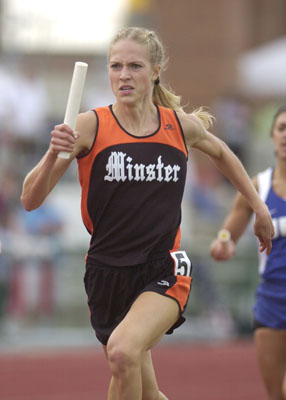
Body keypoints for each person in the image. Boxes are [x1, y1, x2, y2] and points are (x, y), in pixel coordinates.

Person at [21, 27, 274, 400]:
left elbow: (221, 153)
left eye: (134, 66)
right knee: (145, 390)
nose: (123, 75)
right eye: (116, 66)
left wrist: (259, 206)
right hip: (106, 272)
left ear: (155, 70)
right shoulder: (89, 126)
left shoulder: (177, 126)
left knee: (123, 353)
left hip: (164, 267)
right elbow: (30, 199)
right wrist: (51, 153)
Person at [210, 105, 286, 400]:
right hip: (271, 300)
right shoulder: (258, 187)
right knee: (275, 393)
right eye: (281, 129)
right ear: (271, 136)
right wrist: (224, 242)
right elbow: (229, 231)